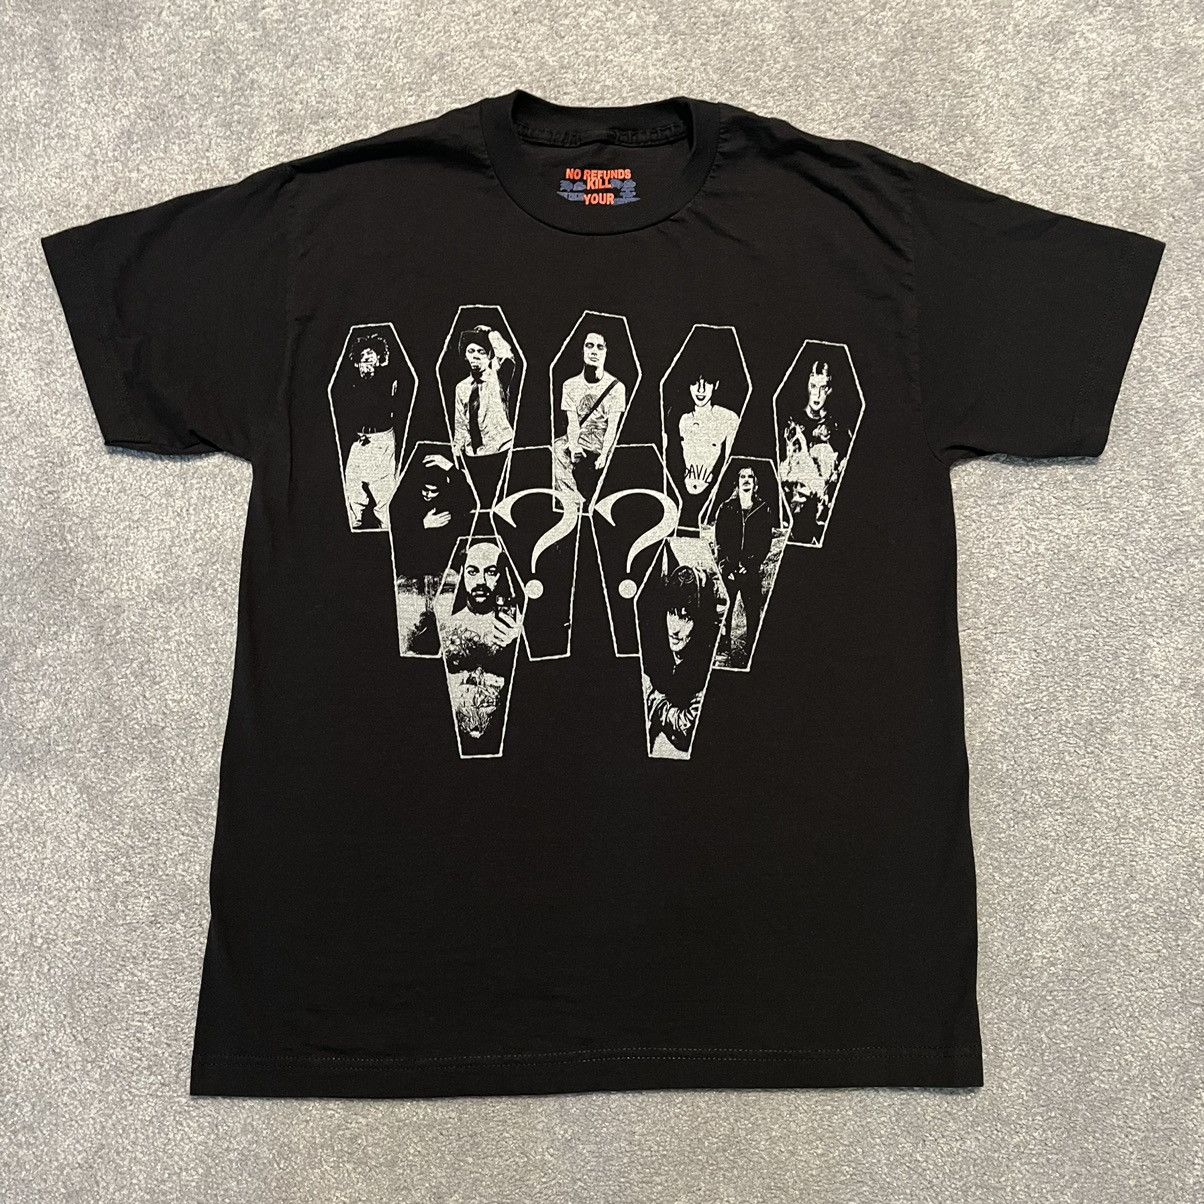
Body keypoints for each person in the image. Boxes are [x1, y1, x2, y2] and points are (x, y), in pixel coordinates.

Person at [439, 539, 522, 754]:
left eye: (491, 572)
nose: (481, 581)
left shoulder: (514, 629)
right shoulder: (445, 626)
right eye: (473, 572)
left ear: (501, 576)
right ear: (463, 574)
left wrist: (517, 644)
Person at [390, 450, 474, 655]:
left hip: (443, 577)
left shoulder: (450, 502)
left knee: (449, 642)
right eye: (424, 490)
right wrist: (422, 525)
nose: (427, 495)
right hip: (411, 578)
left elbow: (471, 501)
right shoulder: (407, 502)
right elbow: (395, 535)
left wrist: (450, 468)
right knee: (406, 639)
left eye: (433, 491)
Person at [642, 561, 720, 758]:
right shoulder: (657, 648)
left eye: (686, 618)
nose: (675, 628)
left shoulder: (707, 663)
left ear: (700, 620)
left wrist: (653, 697)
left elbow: (689, 726)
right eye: (672, 613)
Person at [551, 329, 626, 506]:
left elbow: (612, 427)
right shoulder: (570, 385)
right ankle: (573, 502)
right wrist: (574, 445)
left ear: (606, 352)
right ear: (582, 350)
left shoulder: (617, 388)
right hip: (580, 438)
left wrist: (604, 454)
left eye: (600, 347)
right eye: (589, 346)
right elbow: (572, 422)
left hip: (602, 442)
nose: (594, 351)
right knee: (557, 448)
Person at [338, 330, 404, 530]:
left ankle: (386, 525)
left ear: (379, 359)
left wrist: (376, 373)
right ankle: (355, 519)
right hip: (360, 438)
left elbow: (387, 397)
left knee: (384, 486)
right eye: (363, 356)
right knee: (352, 479)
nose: (367, 359)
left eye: (372, 356)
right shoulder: (352, 384)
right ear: (356, 362)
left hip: (382, 438)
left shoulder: (387, 379)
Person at [780, 359, 851, 541]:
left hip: (820, 512)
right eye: (813, 386)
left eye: (823, 388)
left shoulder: (839, 428)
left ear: (830, 390)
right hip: (792, 511)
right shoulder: (792, 422)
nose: (817, 395)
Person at [712, 464, 773, 665]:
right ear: (737, 483)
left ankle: (752, 653)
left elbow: (765, 542)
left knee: (753, 613)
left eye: (750, 477)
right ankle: (723, 648)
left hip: (751, 572)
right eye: (742, 477)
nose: (746, 480)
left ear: (756, 484)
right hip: (730, 572)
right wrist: (727, 565)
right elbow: (720, 539)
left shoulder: (763, 509)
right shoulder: (726, 508)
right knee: (725, 611)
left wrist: (751, 564)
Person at [670, 355, 740, 527]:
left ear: (715, 385)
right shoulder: (682, 419)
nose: (700, 390)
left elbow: (731, 464)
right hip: (681, 496)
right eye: (695, 383)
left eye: (707, 383)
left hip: (714, 498)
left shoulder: (727, 418)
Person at [452, 325, 516, 460]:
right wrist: (458, 448)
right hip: (473, 454)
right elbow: (460, 423)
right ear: (465, 355)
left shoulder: (498, 378)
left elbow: (508, 358)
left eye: (481, 352)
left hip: (501, 449)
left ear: (489, 356)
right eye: (471, 351)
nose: (475, 356)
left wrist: (492, 334)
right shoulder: (461, 387)